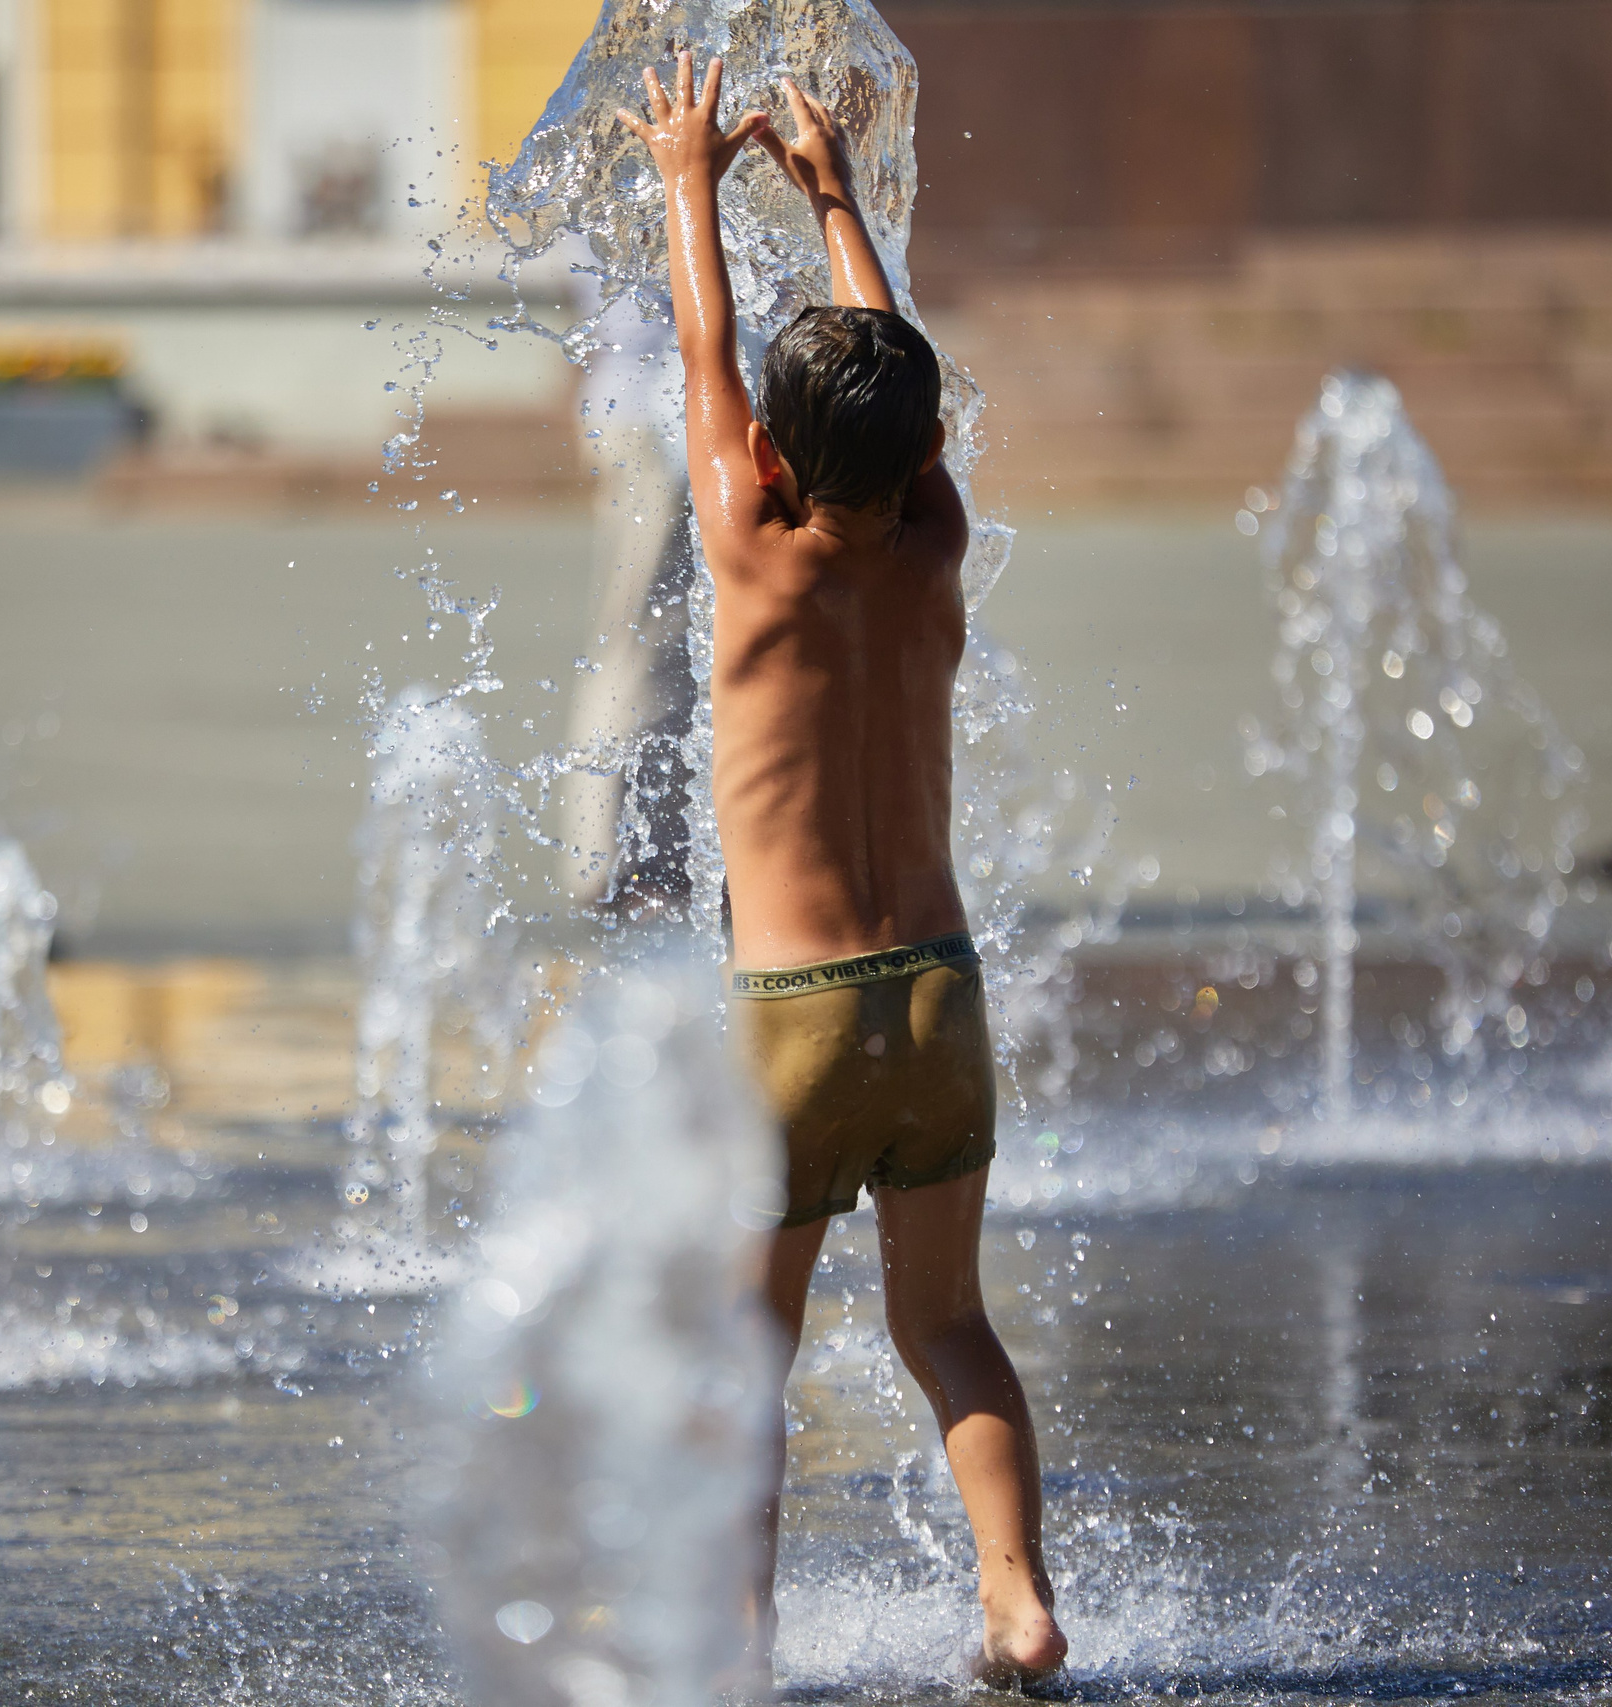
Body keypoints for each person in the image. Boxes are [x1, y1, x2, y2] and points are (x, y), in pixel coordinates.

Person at [619, 52, 1069, 1688]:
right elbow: (901, 387)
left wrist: (687, 179)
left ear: (774, 465)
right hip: (940, 997)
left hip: (792, 1016)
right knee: (947, 1321)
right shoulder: (937, 544)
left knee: (750, 1348)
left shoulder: (751, 549)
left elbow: (704, 350)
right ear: (926, 445)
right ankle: (1017, 1599)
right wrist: (832, 192)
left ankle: (738, 1636)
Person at [557, 294, 699, 914]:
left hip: (648, 413)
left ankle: (641, 857)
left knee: (663, 647)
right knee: (645, 646)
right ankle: (618, 863)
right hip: (663, 424)